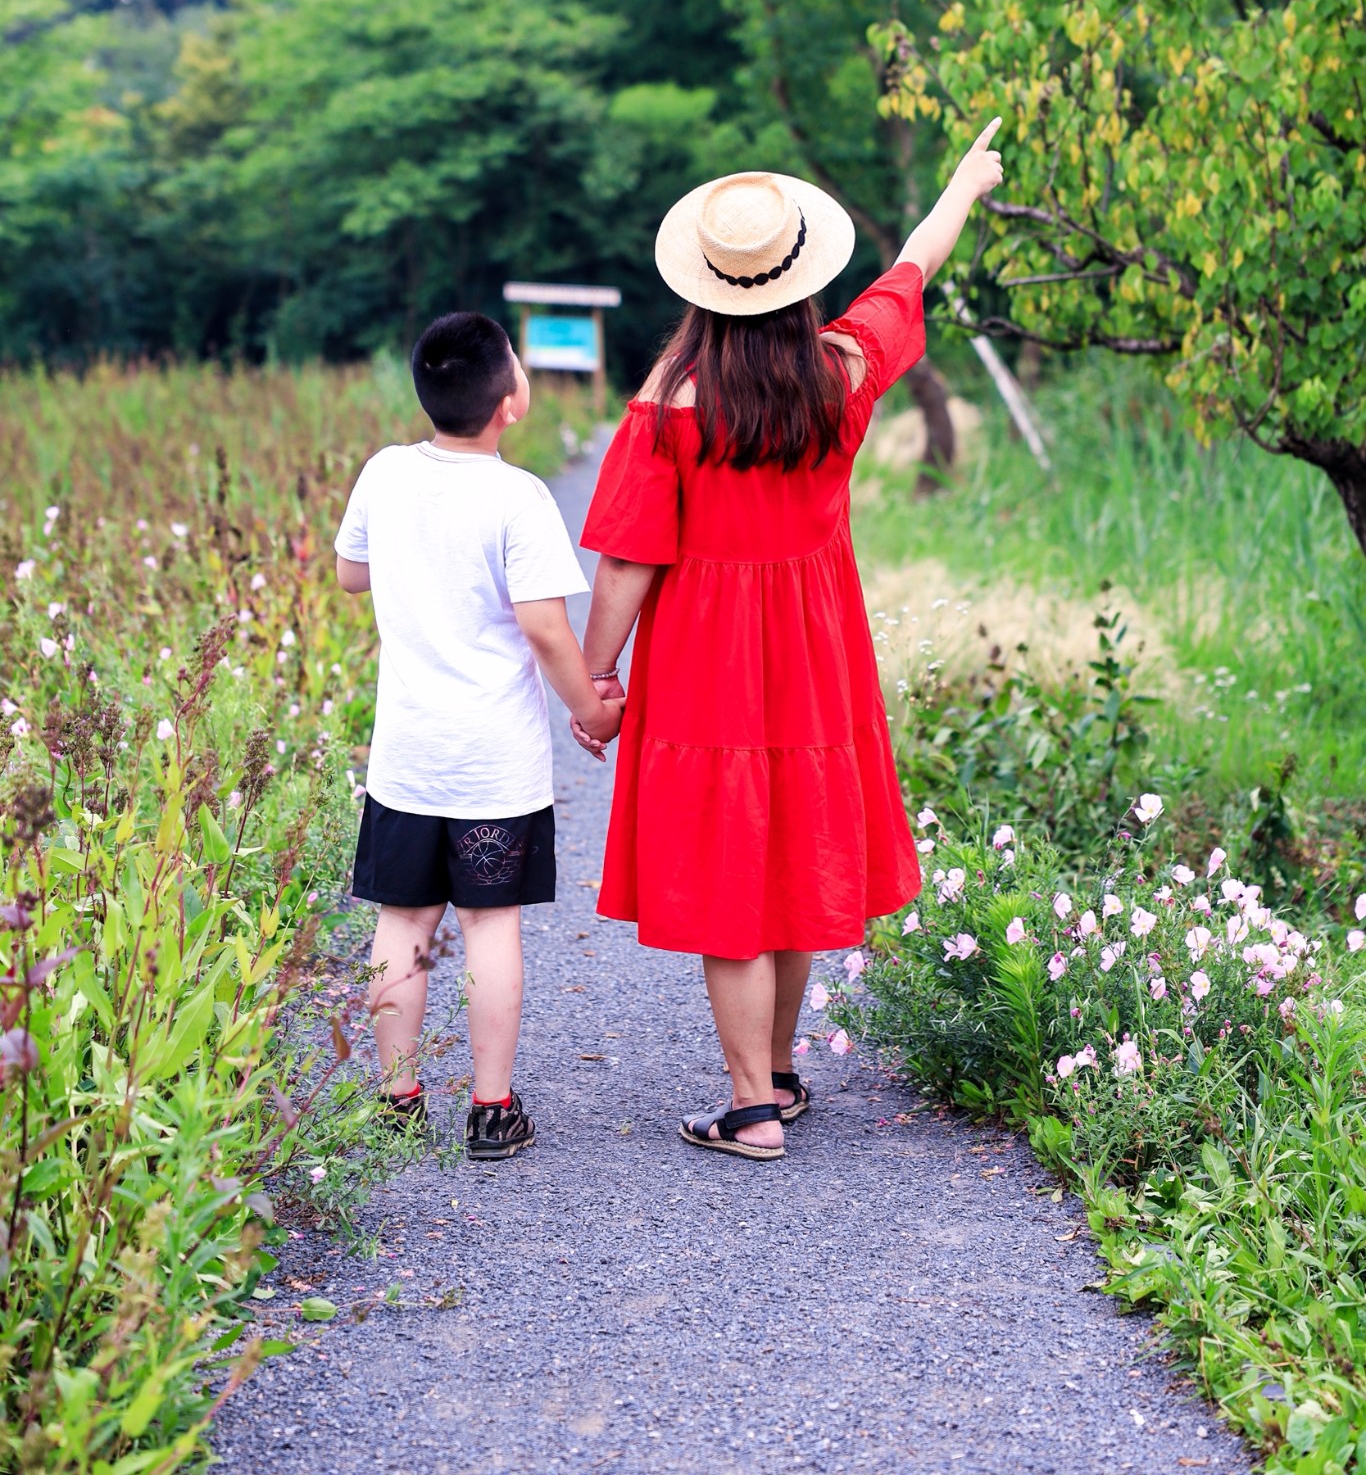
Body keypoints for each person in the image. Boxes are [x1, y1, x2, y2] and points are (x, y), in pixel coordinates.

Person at [572, 121, 1005, 1159]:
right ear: (798, 273)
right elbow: (912, 266)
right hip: (814, 650)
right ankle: (772, 1077)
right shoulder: (843, 370)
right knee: (790, 861)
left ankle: (750, 1106)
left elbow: (628, 563)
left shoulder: (666, 403)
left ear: (706, 285)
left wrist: (597, 676)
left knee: (727, 869)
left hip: (703, 656)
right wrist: (965, 182)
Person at [335, 311, 624, 1159]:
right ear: (510, 400)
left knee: (403, 923)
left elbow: (352, 574)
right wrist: (591, 708)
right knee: (491, 927)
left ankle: (398, 1102)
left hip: (408, 762)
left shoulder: (384, 475)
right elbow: (545, 630)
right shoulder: (517, 496)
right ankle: (492, 1110)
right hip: (494, 766)